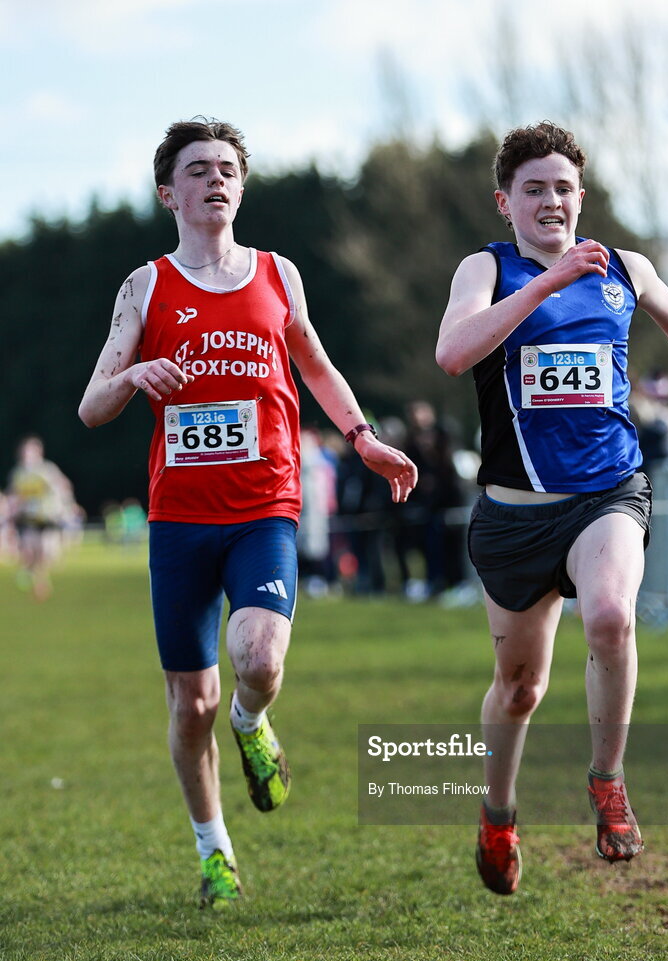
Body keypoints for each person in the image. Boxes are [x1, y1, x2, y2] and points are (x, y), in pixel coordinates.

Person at [78, 118, 417, 909]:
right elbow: (92, 406)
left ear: (242, 184)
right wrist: (136, 377)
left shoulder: (278, 274)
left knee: (260, 658)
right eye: (198, 170)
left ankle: (252, 718)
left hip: (266, 506)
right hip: (180, 520)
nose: (215, 180)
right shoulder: (146, 286)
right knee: (186, 703)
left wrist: (362, 438)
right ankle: (213, 848)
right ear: (170, 192)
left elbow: (320, 368)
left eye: (228, 168)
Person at [436, 121, 668, 895]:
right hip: (514, 513)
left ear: (582, 196)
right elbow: (452, 354)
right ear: (505, 200)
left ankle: (606, 779)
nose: (551, 202)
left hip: (607, 492)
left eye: (563, 188)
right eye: (534, 189)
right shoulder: (486, 268)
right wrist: (545, 282)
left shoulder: (623, 266)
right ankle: (498, 812)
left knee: (610, 617)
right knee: (519, 687)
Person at [7, 435, 74, 600]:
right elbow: (14, 495)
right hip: (28, 519)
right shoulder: (19, 473)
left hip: (47, 517)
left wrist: (65, 505)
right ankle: (35, 578)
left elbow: (63, 486)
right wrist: (11, 514)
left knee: (45, 553)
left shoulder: (47, 470)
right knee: (30, 551)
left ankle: (39, 579)